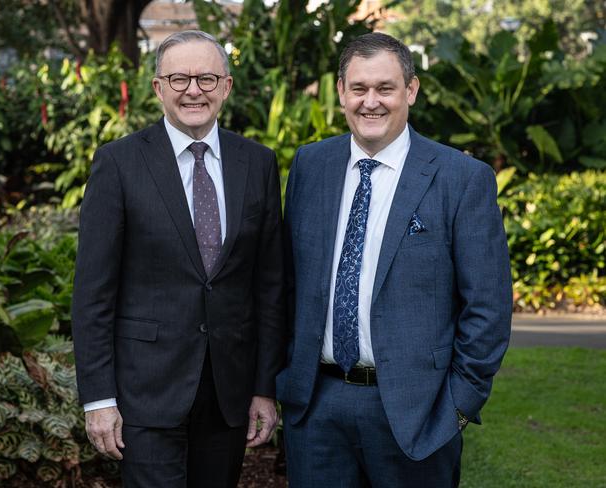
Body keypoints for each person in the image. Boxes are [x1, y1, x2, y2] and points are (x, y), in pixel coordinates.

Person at [277, 32, 512, 487]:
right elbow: (285, 283)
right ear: (341, 92)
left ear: (411, 90)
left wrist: (459, 404)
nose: (371, 102)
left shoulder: (461, 178)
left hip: (416, 411)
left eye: (385, 88)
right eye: (359, 88)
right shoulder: (310, 166)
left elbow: (488, 306)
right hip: (317, 409)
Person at [71, 30, 285, 488]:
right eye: (180, 78)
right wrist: (98, 399)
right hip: (145, 392)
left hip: (228, 392)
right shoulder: (119, 163)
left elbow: (269, 286)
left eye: (207, 78)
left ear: (226, 86)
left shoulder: (258, 164)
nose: (193, 90)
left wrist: (264, 387)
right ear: (158, 88)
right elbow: (93, 294)